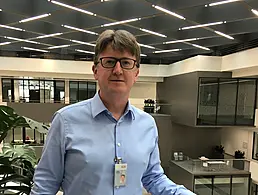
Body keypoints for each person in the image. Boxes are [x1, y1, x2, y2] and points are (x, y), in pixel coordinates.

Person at [30, 29, 196, 195]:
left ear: (136, 73)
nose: (118, 70)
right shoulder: (65, 121)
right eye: (109, 62)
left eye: (126, 62)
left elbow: (153, 178)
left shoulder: (147, 125)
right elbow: (45, 185)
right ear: (95, 70)